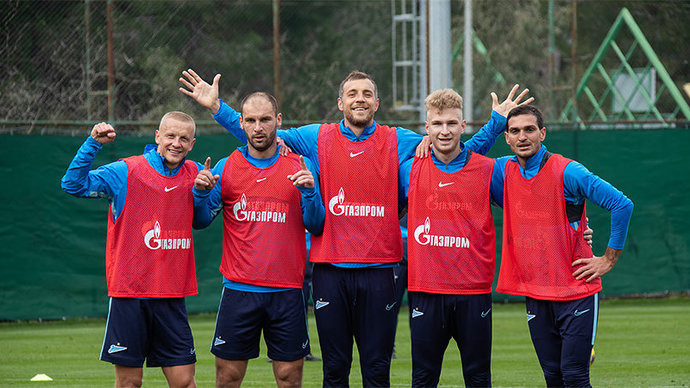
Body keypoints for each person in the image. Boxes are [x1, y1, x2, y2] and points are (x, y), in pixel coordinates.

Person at [179, 69, 529, 387]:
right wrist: (217, 108)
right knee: (335, 369)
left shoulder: (399, 140)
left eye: (366, 94)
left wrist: (496, 125)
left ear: (377, 103)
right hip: (331, 271)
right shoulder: (317, 137)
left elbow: (455, 154)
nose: (359, 99)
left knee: (376, 370)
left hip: (381, 273)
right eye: (352, 93)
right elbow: (262, 132)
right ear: (340, 102)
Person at [493, 105, 634, 387]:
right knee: (553, 376)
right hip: (535, 291)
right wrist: (493, 122)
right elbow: (459, 161)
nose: (523, 136)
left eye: (530, 129)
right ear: (506, 137)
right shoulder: (502, 171)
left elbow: (621, 204)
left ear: (542, 133)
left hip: (575, 290)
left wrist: (608, 259)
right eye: (515, 131)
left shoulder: (568, 171)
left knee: (575, 376)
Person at [61, 112, 204, 388]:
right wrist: (93, 143)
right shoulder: (126, 171)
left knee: (185, 382)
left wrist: (204, 193)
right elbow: (72, 184)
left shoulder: (197, 174)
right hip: (130, 295)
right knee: (129, 383)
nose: (176, 143)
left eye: (183, 138)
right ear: (157, 137)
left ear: (192, 144)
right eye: (170, 136)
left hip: (171, 296)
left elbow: (205, 215)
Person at [192, 92, 325, 388]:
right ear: (241, 123)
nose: (258, 127)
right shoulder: (227, 167)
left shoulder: (300, 166)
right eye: (250, 120)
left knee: (289, 377)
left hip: (287, 291)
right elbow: (200, 221)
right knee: (228, 376)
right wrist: (200, 194)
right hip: (239, 290)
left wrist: (310, 193)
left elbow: (316, 225)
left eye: (265, 119)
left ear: (278, 121)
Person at [400, 89, 505, 387]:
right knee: (423, 377)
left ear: (463, 125)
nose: (444, 131)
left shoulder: (488, 170)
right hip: (426, 290)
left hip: (473, 292)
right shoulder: (409, 169)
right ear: (426, 127)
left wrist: (577, 227)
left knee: (478, 377)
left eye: (451, 123)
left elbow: (526, 204)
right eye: (437, 124)